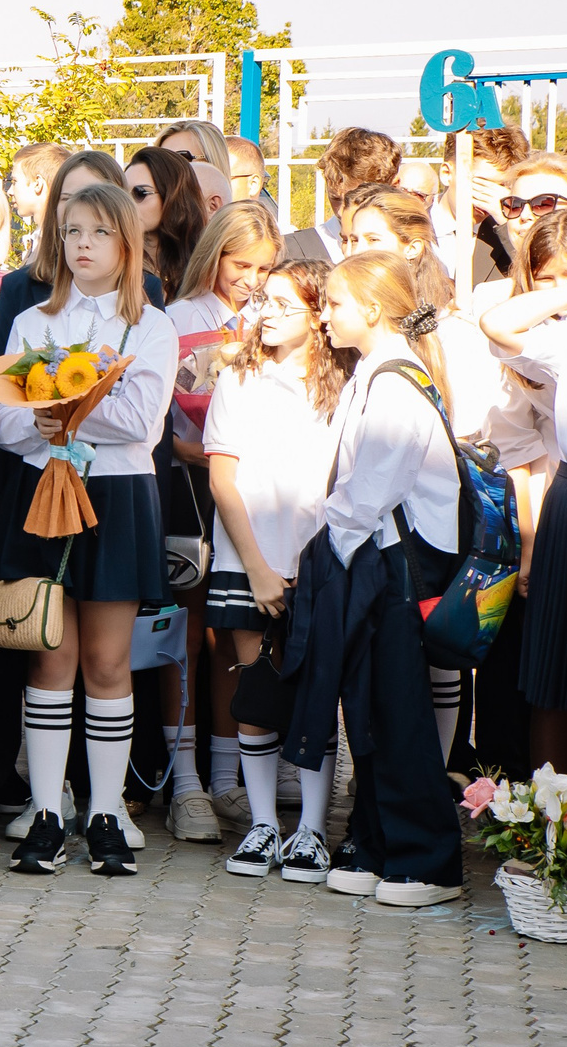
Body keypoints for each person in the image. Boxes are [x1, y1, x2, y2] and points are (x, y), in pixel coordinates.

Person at [0, 181, 179, 879]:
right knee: (48, 656)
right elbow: (6, 424)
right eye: (72, 231)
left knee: (106, 662)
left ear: (126, 243)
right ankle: (46, 812)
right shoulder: (33, 320)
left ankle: (105, 812)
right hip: (42, 488)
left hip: (119, 494)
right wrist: (49, 415)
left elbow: (140, 423)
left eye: (99, 232)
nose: (83, 245)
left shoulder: (151, 325)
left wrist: (64, 402)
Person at [291, 251, 466, 906]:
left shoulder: (393, 382)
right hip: (375, 558)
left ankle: (429, 861)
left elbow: (369, 493)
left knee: (397, 711)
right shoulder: (376, 373)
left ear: (370, 308)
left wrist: (324, 544)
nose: (325, 316)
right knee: (366, 709)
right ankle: (377, 845)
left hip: (392, 564)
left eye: (334, 303)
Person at [205, 260, 348, 881]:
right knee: (257, 692)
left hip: (318, 560)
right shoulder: (238, 377)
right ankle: (263, 824)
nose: (265, 313)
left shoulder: (344, 382)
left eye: (284, 304)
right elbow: (223, 480)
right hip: (251, 559)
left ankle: (312, 829)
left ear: (318, 314)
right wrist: (259, 569)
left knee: (317, 694)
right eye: (263, 300)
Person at [156, 198, 282, 840]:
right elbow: (157, 422)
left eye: (264, 268)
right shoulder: (175, 319)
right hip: (187, 492)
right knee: (184, 637)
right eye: (241, 264)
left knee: (235, 635)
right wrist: (205, 453)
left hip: (251, 495)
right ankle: (185, 784)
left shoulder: (271, 318)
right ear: (214, 255)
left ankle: (228, 778)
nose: (252, 280)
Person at [481, 209, 567, 771]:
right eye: (549, 278)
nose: (559, 291)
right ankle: (550, 813)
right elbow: (498, 323)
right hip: (564, 496)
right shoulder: (559, 337)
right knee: (555, 670)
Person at [0, 150, 167, 351]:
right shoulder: (18, 288)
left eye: (95, 195)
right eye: (68, 198)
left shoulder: (146, 287)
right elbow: (1, 366)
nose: (82, 205)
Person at [281, 127, 402, 264]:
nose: (341, 211)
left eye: (356, 199)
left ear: (393, 186)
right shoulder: (292, 251)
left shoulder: (408, 248)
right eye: (335, 199)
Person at [127, 145, 208, 290]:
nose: (127, 203)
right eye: (121, 193)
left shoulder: (206, 267)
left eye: (140, 193)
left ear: (173, 196)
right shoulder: (111, 267)